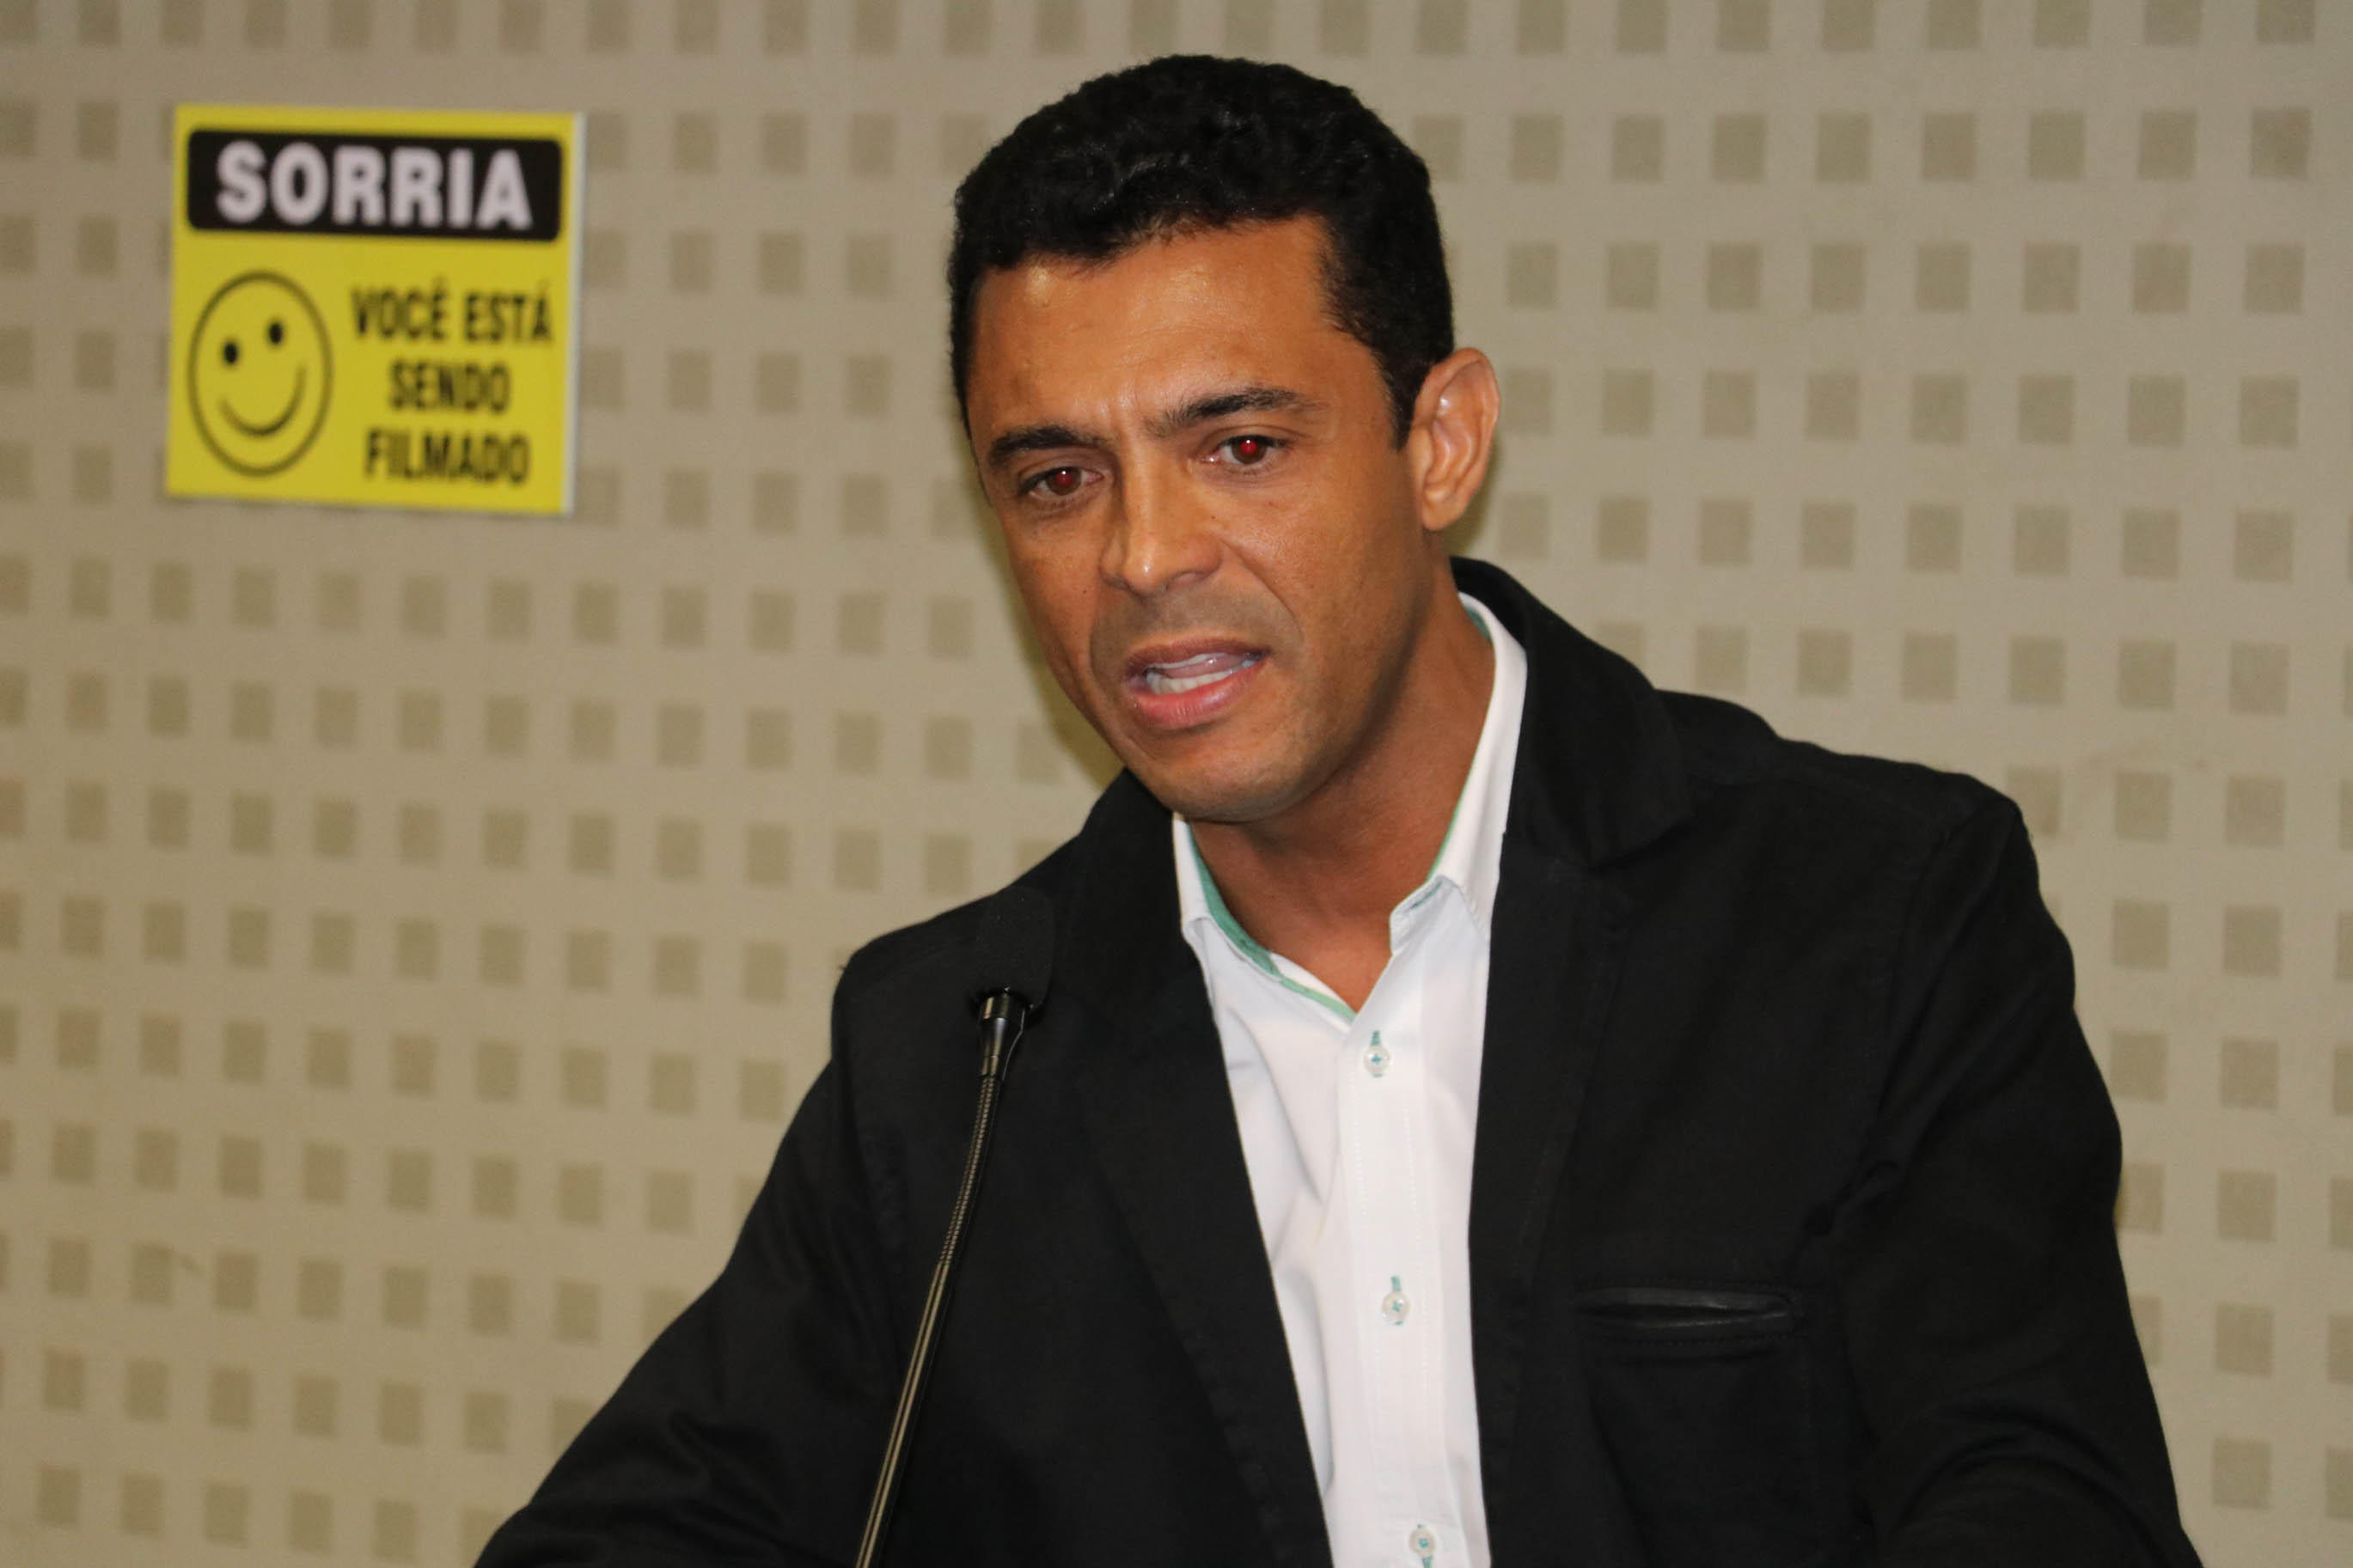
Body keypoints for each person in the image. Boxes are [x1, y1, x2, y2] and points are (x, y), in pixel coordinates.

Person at [480, 57, 2199, 1568]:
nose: (1143, 556)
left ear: (1439, 441)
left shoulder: (1871, 916)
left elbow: (2051, 1510)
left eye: (1238, 446)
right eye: (1059, 477)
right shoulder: (959, 1054)